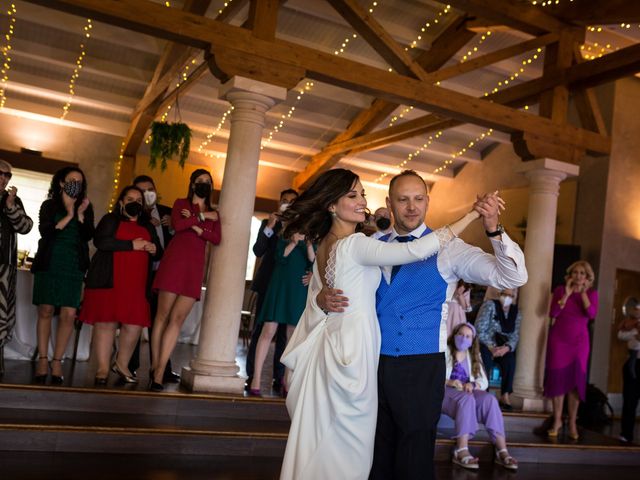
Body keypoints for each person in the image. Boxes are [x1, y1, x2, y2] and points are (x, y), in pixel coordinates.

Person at [277, 168, 488, 480]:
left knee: (334, 433)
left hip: (335, 344)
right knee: (353, 442)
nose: (362, 201)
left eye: (362, 194)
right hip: (354, 347)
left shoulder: (324, 242)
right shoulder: (355, 244)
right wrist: (470, 215)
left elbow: (317, 295)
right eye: (353, 195)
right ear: (332, 205)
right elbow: (415, 250)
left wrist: (321, 300)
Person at [319, 170, 527, 480]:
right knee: (372, 457)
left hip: (421, 367)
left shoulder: (451, 249)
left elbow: (512, 277)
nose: (412, 207)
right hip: (370, 363)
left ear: (428, 201)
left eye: (418, 199)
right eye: (403, 200)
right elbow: (335, 281)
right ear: (390, 203)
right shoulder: (371, 243)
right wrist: (322, 296)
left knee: (414, 461)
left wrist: (494, 229)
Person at [80, 186, 162, 385]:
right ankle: (102, 367)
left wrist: (153, 248)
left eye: (139, 201)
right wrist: (131, 245)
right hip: (109, 281)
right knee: (106, 323)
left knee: (133, 325)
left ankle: (122, 364)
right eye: (130, 199)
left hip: (136, 285)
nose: (135, 203)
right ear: (121, 202)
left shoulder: (148, 226)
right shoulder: (111, 219)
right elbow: (101, 242)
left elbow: (159, 252)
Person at [150, 169, 221, 391]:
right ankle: (157, 369)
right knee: (162, 316)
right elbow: (178, 225)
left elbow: (216, 238)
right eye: (199, 181)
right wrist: (201, 219)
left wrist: (196, 225)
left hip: (194, 269)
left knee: (177, 320)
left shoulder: (214, 212)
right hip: (174, 264)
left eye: (207, 182)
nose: (203, 184)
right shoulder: (181, 202)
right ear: (192, 184)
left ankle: (159, 368)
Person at [31, 166, 94, 384]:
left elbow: (88, 236)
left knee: (69, 314)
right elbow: (46, 232)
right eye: (71, 180)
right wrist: (68, 215)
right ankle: (42, 359)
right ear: (61, 183)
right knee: (46, 310)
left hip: (73, 265)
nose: (76, 184)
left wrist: (79, 215)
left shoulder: (86, 206)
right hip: (50, 262)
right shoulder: (49, 205)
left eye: (79, 181)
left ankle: (57, 361)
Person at [248, 231, 315, 396]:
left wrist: (308, 244)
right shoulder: (284, 235)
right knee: (268, 331)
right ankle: (256, 378)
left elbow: (313, 261)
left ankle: (287, 379)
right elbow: (279, 258)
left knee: (292, 337)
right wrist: (292, 242)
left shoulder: (313, 237)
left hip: (299, 289)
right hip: (279, 286)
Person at [443, 322, 518, 470]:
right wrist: (451, 381)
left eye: (468, 336)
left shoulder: (474, 355)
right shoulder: (445, 351)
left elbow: (483, 380)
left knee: (489, 399)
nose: (464, 338)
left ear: (472, 340)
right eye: (461, 335)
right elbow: (433, 376)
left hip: (467, 392)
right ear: (454, 336)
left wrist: (474, 385)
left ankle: (501, 450)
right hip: (445, 392)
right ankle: (461, 450)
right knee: (467, 398)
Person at [245, 188, 298, 393]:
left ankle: (280, 377)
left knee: (286, 335)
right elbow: (258, 250)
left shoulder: (300, 227)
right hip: (269, 283)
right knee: (262, 330)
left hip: (291, 286)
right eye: (284, 200)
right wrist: (270, 227)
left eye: (292, 201)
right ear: (279, 203)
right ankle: (253, 375)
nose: (288, 204)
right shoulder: (269, 224)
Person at [127, 175, 179, 382]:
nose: (147, 193)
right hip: (140, 273)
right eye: (141, 190)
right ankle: (129, 366)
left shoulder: (169, 212)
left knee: (162, 321)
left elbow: (179, 243)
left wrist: (173, 227)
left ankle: (162, 369)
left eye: (150, 189)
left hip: (164, 276)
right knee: (135, 320)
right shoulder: (134, 214)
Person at [544, 260, 598, 440]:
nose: (578, 276)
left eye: (582, 273)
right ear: (570, 275)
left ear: (587, 277)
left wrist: (582, 295)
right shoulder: (560, 290)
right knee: (558, 379)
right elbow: (553, 314)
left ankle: (573, 422)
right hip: (559, 340)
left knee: (575, 382)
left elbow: (591, 314)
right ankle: (558, 420)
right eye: (575, 272)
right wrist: (566, 295)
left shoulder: (592, 293)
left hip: (579, 343)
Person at [0, 159, 33, 357]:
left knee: (2, 314)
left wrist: (11, 206)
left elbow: (26, 227)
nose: (3, 178)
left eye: (7, 175)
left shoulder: (12, 200)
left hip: (5, 265)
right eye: (0, 173)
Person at [476, 288, 521, 411]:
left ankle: (505, 395)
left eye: (510, 295)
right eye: (504, 294)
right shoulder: (490, 305)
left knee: (510, 361)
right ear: (499, 294)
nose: (507, 297)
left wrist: (507, 348)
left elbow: (515, 335)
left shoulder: (515, 311)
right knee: (485, 359)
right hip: (487, 344)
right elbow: (479, 328)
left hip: (503, 346)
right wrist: (491, 347)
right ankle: (483, 394)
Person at [617, 297, 640, 443]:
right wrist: (635, 331)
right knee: (629, 400)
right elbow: (620, 334)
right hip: (633, 362)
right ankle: (626, 434)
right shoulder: (632, 319)